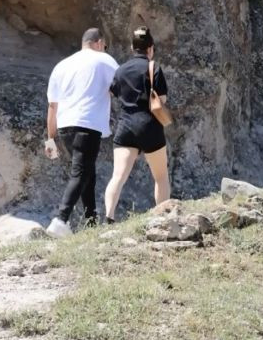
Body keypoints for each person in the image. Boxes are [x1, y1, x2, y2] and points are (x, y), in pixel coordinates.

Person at [44, 28, 118, 237]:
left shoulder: (62, 65)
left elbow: (52, 106)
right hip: (88, 124)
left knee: (87, 173)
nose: (104, 49)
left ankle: (91, 223)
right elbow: (120, 86)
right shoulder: (104, 60)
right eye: (104, 46)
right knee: (80, 172)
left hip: (65, 126)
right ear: (99, 42)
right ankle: (60, 219)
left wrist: (50, 138)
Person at [104, 26, 171, 222]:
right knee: (160, 177)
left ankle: (109, 217)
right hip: (150, 126)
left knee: (118, 176)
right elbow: (163, 99)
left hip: (126, 127)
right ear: (150, 48)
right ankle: (163, 218)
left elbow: (111, 92)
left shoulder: (121, 70)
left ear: (132, 47)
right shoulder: (154, 68)